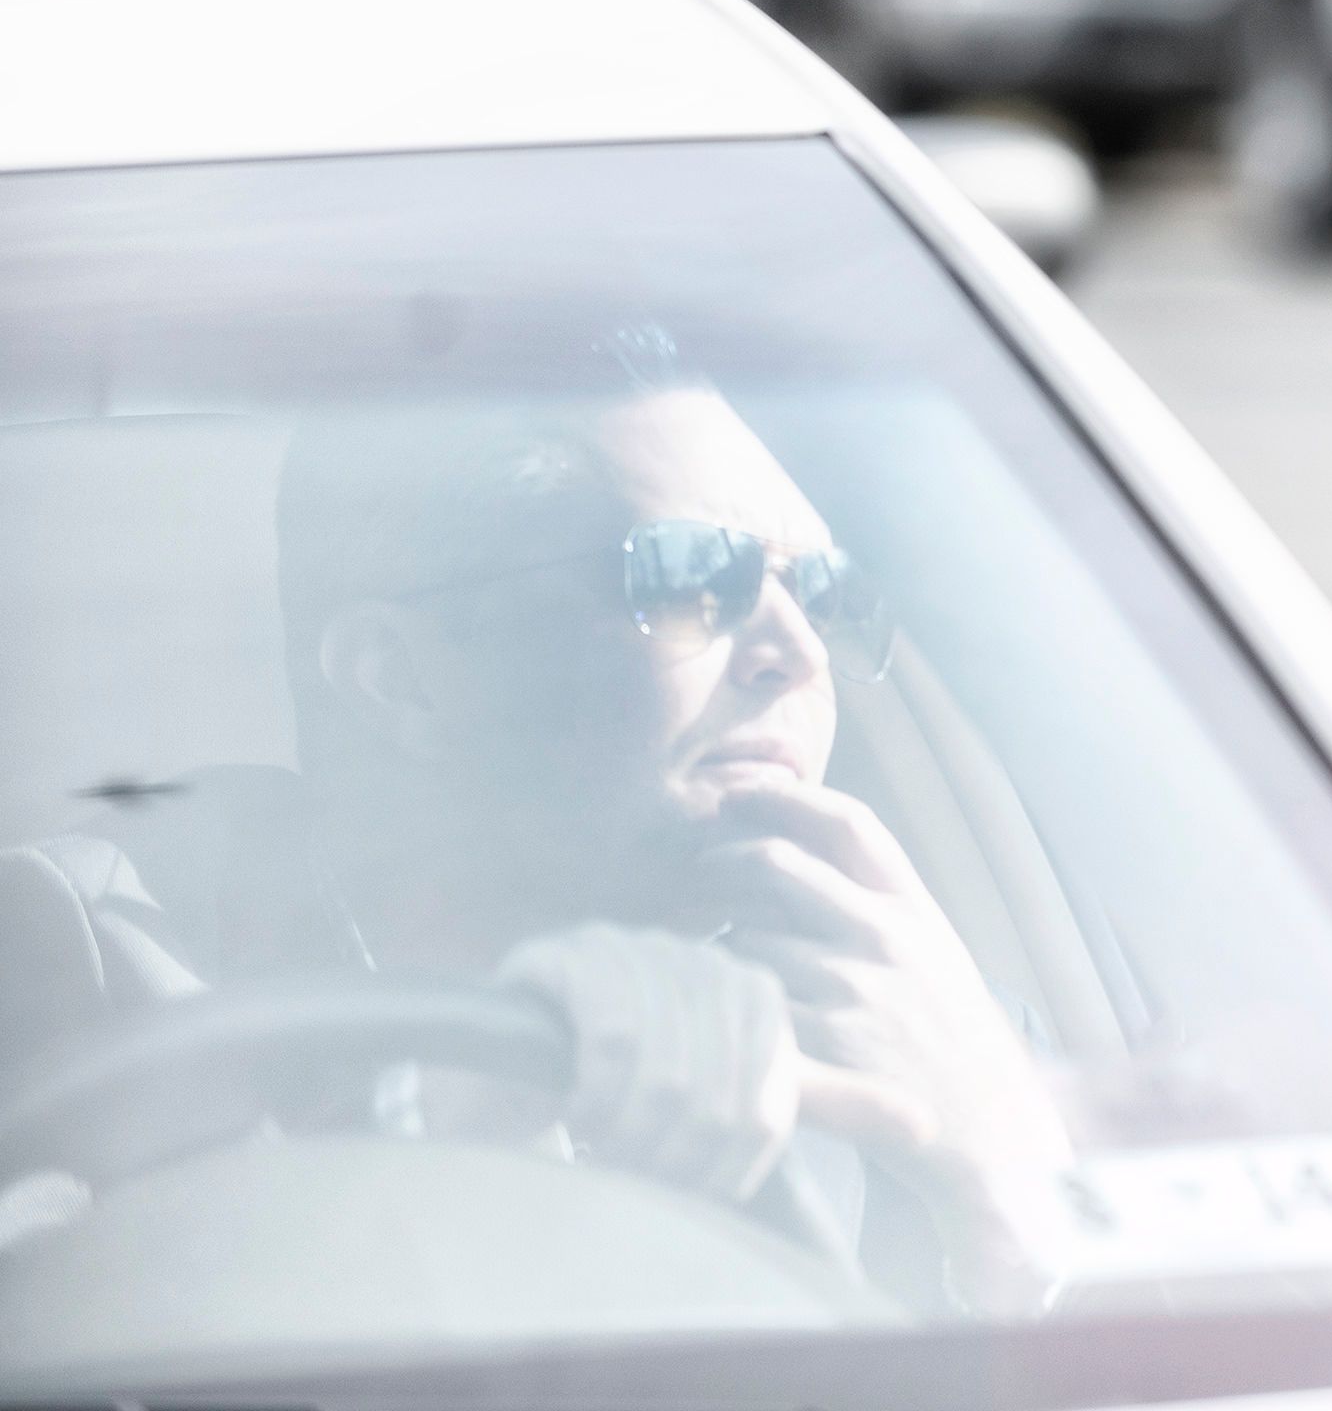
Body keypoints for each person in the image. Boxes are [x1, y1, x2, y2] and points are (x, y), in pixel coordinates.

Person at [0, 375, 1071, 1309]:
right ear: (402, 679)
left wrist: (1007, 1217)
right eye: (691, 578)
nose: (796, 653)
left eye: (824, 591)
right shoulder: (79, 973)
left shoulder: (915, 1035)